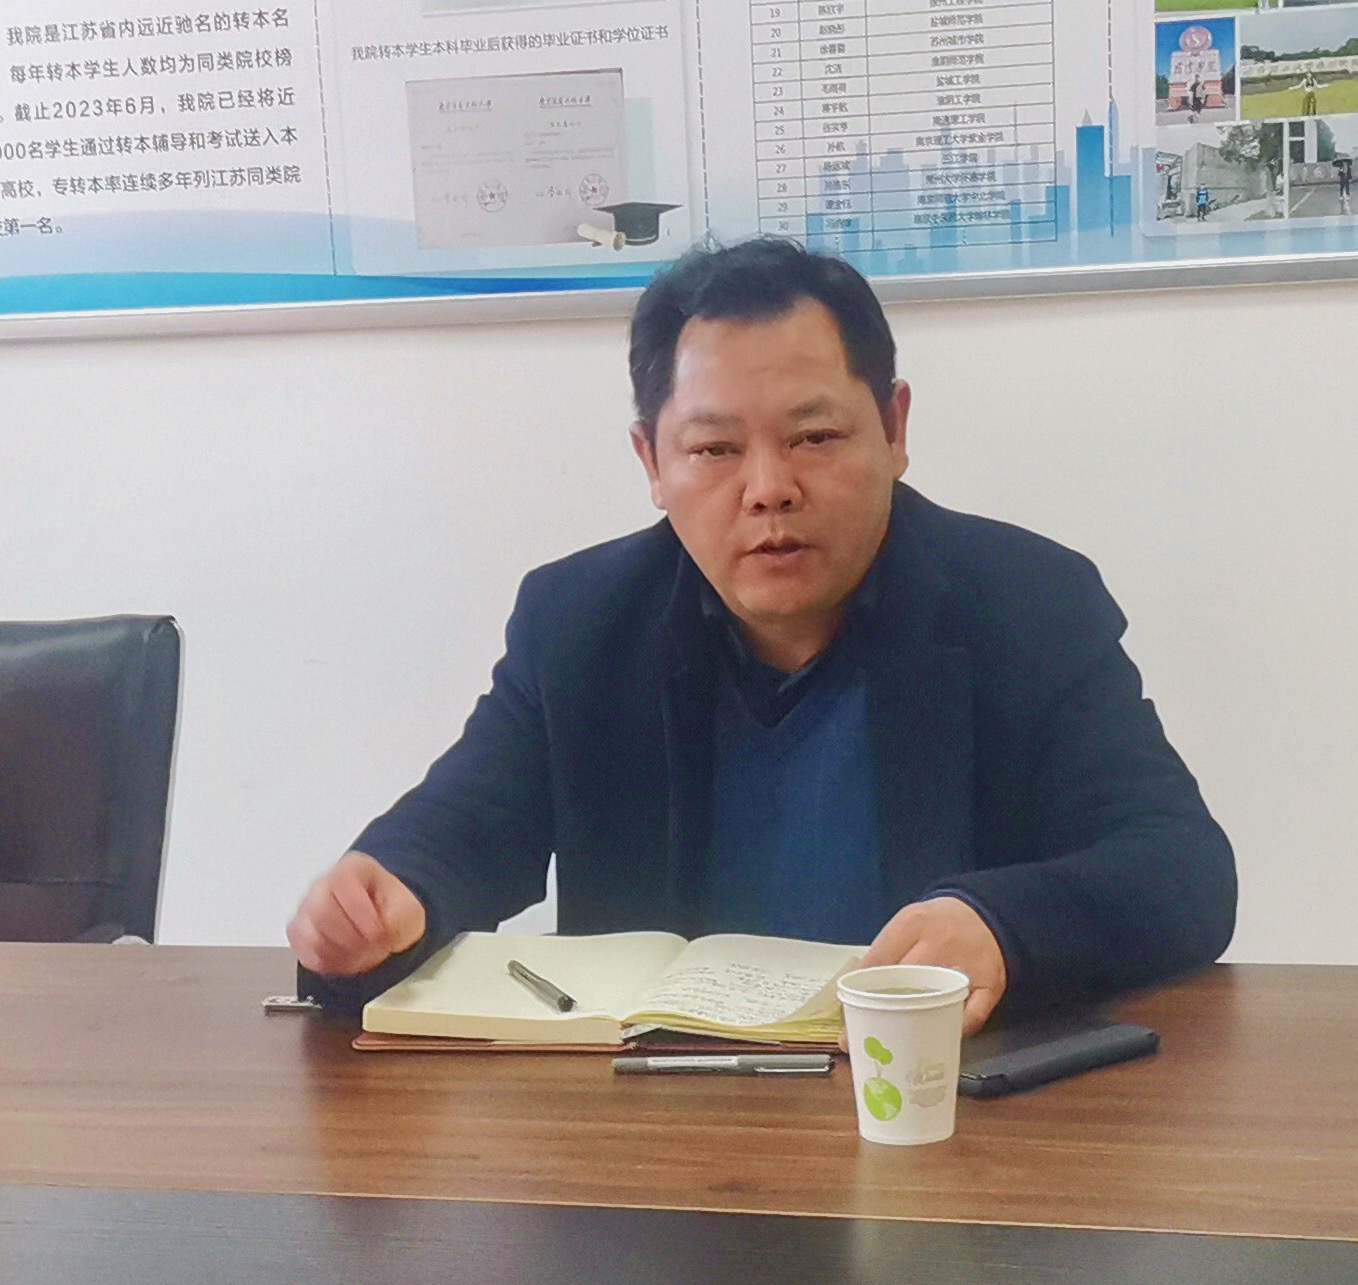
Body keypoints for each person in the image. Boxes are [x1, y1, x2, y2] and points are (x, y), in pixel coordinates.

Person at [287, 238, 1237, 1034]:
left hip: (931, 1110)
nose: (770, 489)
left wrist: (998, 926)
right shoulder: (580, 623)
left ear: (895, 427)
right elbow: (463, 828)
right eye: (714, 449)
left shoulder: (1025, 604)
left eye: (815, 437)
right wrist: (382, 895)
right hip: (659, 1130)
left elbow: (1181, 868)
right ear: (651, 461)